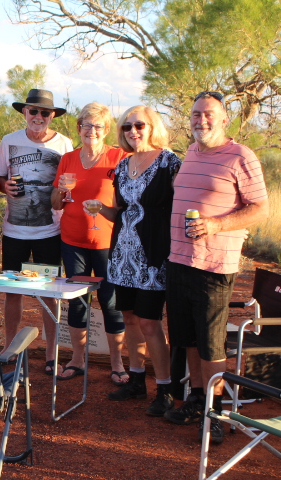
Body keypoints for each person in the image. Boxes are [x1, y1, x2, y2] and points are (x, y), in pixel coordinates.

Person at [163, 91, 269, 444]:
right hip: (179, 259)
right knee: (188, 338)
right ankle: (197, 399)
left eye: (209, 114)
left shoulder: (241, 156)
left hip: (214, 265)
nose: (201, 120)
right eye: (195, 114)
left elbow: (259, 208)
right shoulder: (191, 153)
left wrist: (216, 225)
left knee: (211, 343)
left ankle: (217, 410)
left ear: (225, 119)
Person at [87, 105, 182, 416]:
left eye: (139, 125)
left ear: (152, 126)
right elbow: (120, 213)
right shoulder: (125, 164)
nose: (133, 132)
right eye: (127, 127)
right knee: (129, 318)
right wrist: (99, 207)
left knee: (150, 322)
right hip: (122, 256)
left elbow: (181, 208)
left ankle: (165, 388)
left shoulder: (170, 162)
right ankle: (137, 380)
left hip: (153, 257)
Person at [0, 89, 73, 374]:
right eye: (33, 111)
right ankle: (10, 347)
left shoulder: (64, 144)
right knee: (12, 292)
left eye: (44, 113)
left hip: (49, 230)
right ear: (24, 113)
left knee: (48, 292)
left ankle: (52, 352)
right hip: (14, 230)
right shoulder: (8, 141)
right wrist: (5, 186)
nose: (38, 117)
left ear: (52, 116)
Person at [50, 102, 126, 382]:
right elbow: (55, 203)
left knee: (110, 301)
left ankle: (116, 363)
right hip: (72, 240)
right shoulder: (68, 159)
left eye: (96, 126)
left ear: (106, 130)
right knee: (77, 301)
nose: (90, 130)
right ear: (78, 128)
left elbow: (124, 205)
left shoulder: (118, 157)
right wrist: (60, 190)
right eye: (85, 125)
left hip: (106, 242)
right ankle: (77, 359)